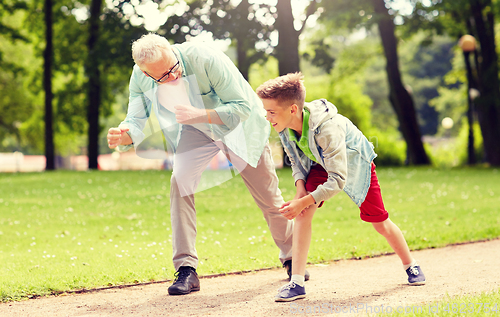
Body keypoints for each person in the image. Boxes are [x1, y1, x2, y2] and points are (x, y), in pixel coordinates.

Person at [107, 33, 298, 296]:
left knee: (268, 196)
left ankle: (291, 258)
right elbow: (135, 119)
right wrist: (124, 133)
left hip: (239, 128)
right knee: (180, 182)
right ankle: (186, 268)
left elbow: (242, 106)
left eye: (173, 69)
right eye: (161, 77)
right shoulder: (140, 76)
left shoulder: (204, 57)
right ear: (145, 72)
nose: (171, 77)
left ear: (172, 52)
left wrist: (200, 113)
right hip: (196, 131)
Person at [256, 72, 426, 302]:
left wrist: (304, 200)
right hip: (320, 164)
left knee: (380, 222)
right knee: (303, 213)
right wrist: (300, 190)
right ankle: (296, 282)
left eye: (271, 112)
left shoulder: (327, 129)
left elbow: (338, 180)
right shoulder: (284, 126)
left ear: (293, 109)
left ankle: (411, 265)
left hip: (355, 167)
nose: (267, 117)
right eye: (266, 111)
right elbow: (295, 160)